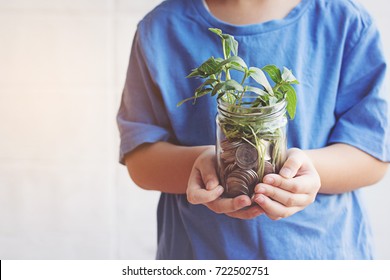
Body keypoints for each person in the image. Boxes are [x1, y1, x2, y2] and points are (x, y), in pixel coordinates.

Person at [117, 0, 389, 259]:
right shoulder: (159, 29)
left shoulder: (346, 21)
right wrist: (207, 166)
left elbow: (373, 154)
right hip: (200, 255)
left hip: (321, 254)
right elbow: (140, 159)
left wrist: (302, 172)